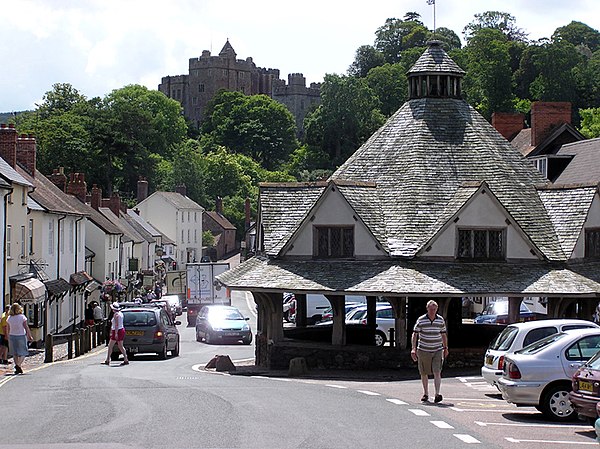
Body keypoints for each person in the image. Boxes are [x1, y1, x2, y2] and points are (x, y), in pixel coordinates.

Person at [410, 300, 449, 403]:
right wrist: (413, 349)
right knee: (424, 372)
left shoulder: (440, 320)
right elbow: (415, 334)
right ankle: (426, 393)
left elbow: (443, 335)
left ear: (437, 309)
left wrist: (445, 348)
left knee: (437, 371)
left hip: (437, 349)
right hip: (423, 349)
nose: (432, 311)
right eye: (431, 309)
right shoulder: (421, 320)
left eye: (434, 309)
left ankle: (437, 394)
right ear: (427, 309)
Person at [6, 303, 33, 375]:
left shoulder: (9, 318)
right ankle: (18, 365)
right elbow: (26, 327)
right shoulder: (22, 317)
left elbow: (8, 328)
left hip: (12, 336)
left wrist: (7, 336)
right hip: (21, 335)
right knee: (23, 352)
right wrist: (29, 336)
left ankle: (18, 367)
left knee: (15, 353)